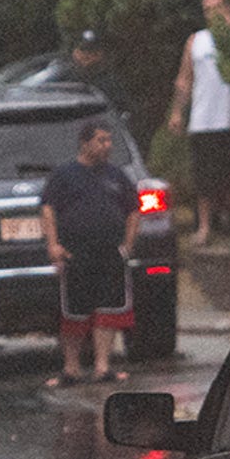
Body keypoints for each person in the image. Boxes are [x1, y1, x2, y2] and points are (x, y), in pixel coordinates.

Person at [39, 120, 140, 386]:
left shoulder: (117, 176)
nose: (107, 146)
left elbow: (133, 209)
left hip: (109, 254)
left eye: (109, 141)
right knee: (74, 313)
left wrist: (127, 246)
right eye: (101, 140)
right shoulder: (64, 176)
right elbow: (48, 209)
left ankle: (102, 367)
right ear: (85, 143)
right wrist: (53, 245)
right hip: (75, 254)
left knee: (108, 311)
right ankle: (71, 369)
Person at [167, 0, 230, 244]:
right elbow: (184, 78)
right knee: (204, 177)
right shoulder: (197, 41)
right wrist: (178, 111)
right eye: (207, 10)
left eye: (217, 7)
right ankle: (204, 227)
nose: (213, 14)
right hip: (204, 119)